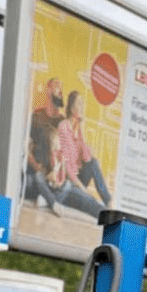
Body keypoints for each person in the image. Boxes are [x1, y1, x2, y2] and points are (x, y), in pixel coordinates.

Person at [54, 91, 111, 219]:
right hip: (68, 182)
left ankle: (108, 201)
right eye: (79, 103)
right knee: (90, 201)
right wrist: (83, 189)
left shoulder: (77, 129)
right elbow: (66, 168)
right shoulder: (64, 127)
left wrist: (81, 130)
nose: (82, 107)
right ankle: (107, 217)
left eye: (82, 104)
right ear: (71, 107)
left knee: (94, 163)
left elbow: (87, 158)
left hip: (78, 178)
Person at [24, 78, 65, 214]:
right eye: (57, 86)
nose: (60, 91)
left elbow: (64, 154)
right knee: (31, 180)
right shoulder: (37, 116)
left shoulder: (63, 122)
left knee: (66, 186)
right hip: (37, 172)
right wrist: (36, 167)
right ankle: (52, 201)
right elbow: (26, 147)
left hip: (53, 176)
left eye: (61, 88)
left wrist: (57, 173)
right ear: (48, 91)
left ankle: (45, 198)